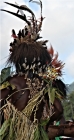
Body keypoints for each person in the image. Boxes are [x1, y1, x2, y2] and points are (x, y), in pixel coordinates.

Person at [0, 1, 66, 139]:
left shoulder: (13, 82)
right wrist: (44, 124)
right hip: (37, 134)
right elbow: (59, 110)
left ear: (18, 61)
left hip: (15, 134)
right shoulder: (45, 85)